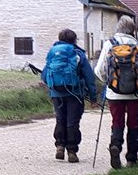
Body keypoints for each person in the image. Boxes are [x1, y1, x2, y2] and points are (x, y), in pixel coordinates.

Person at [94, 15, 138, 169]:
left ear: (118, 28)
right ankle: (131, 159)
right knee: (133, 123)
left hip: (114, 93)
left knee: (117, 122)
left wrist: (109, 81)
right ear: (133, 30)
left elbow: (99, 70)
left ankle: (116, 146)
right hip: (135, 94)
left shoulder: (109, 44)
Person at [40, 28, 98, 163]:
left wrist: (53, 85)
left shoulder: (53, 53)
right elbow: (89, 78)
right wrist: (93, 97)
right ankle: (72, 151)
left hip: (56, 93)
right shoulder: (78, 54)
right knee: (72, 122)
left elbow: (44, 75)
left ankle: (60, 146)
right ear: (74, 40)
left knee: (60, 119)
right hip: (75, 93)